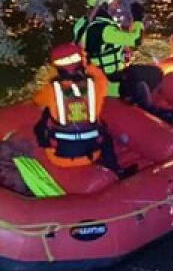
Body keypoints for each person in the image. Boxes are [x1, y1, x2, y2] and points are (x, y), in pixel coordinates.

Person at [73, 0, 173, 120]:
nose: (117, 6)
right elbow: (136, 40)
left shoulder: (82, 24)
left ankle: (138, 104)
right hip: (111, 81)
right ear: (104, 4)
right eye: (114, 3)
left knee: (141, 73)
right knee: (153, 74)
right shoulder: (105, 29)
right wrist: (138, 19)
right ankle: (146, 113)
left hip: (95, 76)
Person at [32, 43, 133, 178]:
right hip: (93, 153)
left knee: (45, 117)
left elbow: (37, 100)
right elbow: (101, 80)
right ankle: (115, 168)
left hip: (58, 156)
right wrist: (87, 65)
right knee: (104, 131)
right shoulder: (97, 84)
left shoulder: (50, 89)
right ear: (81, 61)